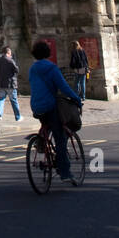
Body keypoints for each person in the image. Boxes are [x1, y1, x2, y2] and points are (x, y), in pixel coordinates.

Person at [28, 40, 82, 187]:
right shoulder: (51, 68)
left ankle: (41, 140)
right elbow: (63, 87)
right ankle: (65, 173)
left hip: (36, 106)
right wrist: (76, 98)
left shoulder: (32, 69)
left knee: (46, 123)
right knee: (60, 138)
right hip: (50, 105)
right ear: (48, 53)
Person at [0, 46, 22, 122]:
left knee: (1, 99)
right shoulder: (10, 60)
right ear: (8, 53)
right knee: (14, 100)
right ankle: (18, 117)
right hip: (10, 84)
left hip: (1, 83)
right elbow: (16, 70)